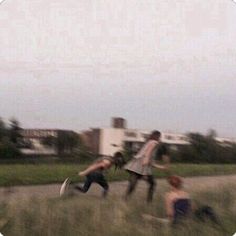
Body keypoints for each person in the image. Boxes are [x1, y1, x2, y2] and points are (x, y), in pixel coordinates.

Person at [124, 130, 169, 202]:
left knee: (133, 184)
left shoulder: (148, 142)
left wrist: (161, 167)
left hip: (135, 165)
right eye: (159, 137)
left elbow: (150, 162)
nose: (160, 138)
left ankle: (125, 199)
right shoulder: (154, 142)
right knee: (152, 184)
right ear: (158, 136)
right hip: (142, 166)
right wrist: (145, 162)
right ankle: (149, 201)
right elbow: (148, 153)